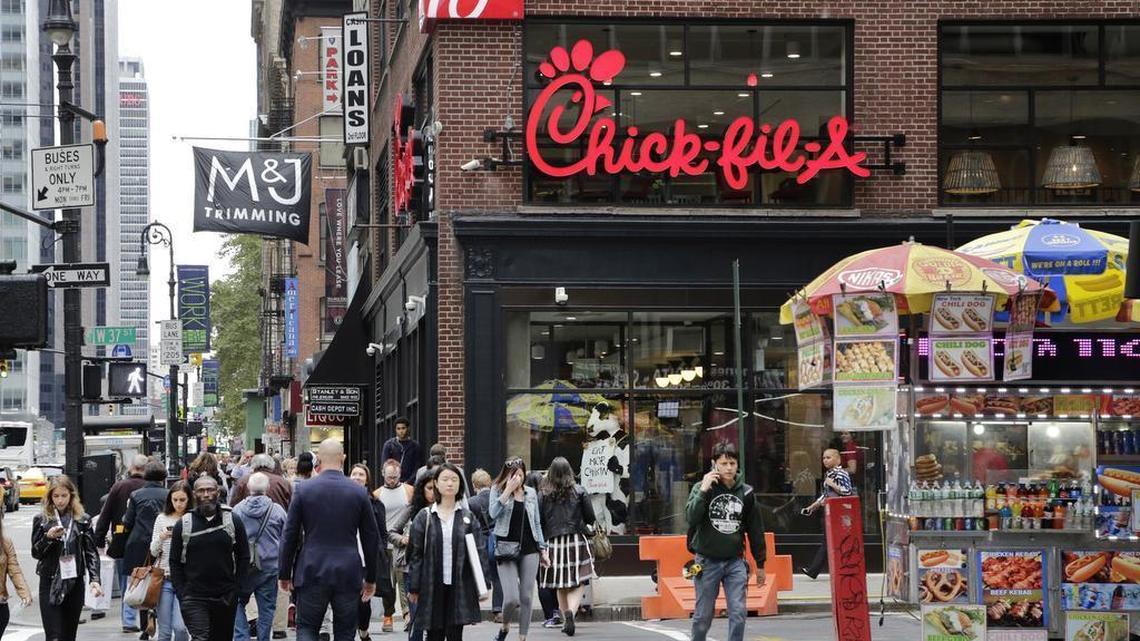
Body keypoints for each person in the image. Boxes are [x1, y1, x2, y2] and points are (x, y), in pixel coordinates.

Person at [278, 439, 380, 641]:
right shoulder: (358, 491)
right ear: (343, 458)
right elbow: (371, 537)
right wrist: (371, 578)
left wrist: (284, 572)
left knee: (307, 628)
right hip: (348, 571)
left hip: (312, 569)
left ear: (319, 461)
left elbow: (289, 534)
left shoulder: (304, 490)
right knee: (345, 632)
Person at [686, 442, 767, 641]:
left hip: (735, 562)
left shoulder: (746, 493)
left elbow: (756, 530)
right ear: (715, 465)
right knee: (703, 617)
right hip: (706, 561)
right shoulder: (701, 488)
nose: (729, 468)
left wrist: (761, 564)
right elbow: (691, 518)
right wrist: (704, 490)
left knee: (738, 613)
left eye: (732, 463)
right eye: (724, 463)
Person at [407, 464, 491, 641]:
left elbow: (479, 552)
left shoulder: (468, 517)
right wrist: (414, 586)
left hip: (459, 584)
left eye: (454, 479)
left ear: (460, 484)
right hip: (432, 585)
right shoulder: (425, 516)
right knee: (433, 634)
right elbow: (416, 554)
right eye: (445, 479)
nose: (450, 483)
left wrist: (483, 585)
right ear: (436, 483)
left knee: (455, 634)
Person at [170, 475, 251, 641]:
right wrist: (182, 593)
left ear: (218, 492)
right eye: (201, 490)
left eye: (210, 490)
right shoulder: (184, 524)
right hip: (194, 596)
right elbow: (175, 561)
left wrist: (237, 589)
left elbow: (244, 556)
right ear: (194, 495)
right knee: (201, 638)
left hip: (225, 596)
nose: (206, 494)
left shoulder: (233, 520)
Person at [32, 475, 104, 641]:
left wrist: (95, 579)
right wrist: (47, 538)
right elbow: (36, 553)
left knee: (69, 635)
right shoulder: (42, 520)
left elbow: (91, 551)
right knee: (54, 636)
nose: (60, 500)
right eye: (55, 496)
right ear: (50, 497)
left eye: (64, 495)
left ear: (71, 496)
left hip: (74, 580)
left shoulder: (82, 520)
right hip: (50, 581)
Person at [487, 459, 546, 641]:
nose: (518, 478)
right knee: (512, 598)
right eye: (514, 474)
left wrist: (543, 549)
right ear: (507, 475)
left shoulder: (531, 493)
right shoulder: (496, 489)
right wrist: (507, 491)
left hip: (530, 548)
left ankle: (522, 637)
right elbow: (492, 513)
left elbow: (536, 522)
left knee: (527, 597)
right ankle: (505, 626)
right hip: (505, 549)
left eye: (521, 474)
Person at [537, 458, 594, 637]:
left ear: (551, 473)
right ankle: (571, 612)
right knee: (579, 580)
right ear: (570, 471)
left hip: (553, 542)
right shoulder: (579, 490)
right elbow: (590, 517)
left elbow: (539, 520)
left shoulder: (543, 493)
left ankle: (564, 616)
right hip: (576, 540)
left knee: (559, 583)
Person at [94, 453, 148, 633]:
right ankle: (146, 619)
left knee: (126, 580)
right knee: (147, 579)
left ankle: (128, 619)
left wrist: (99, 539)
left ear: (131, 468)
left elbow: (105, 515)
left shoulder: (119, 487)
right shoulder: (150, 487)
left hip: (122, 539)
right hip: (148, 540)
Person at [232, 473, 287, 641]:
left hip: (244, 566)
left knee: (237, 602)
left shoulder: (238, 510)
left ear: (248, 488)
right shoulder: (277, 510)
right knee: (267, 608)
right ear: (267, 488)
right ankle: (264, 638)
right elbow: (287, 538)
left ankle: (242, 636)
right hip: (269, 567)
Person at [123, 460, 169, 639]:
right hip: (164, 543)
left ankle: (145, 626)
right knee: (163, 584)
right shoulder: (169, 495)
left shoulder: (136, 495)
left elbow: (128, 522)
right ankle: (157, 619)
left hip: (139, 544)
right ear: (163, 477)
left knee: (143, 582)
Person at [391, 471, 435, 641]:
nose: (433, 492)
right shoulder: (413, 509)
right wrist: (404, 539)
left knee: (434, 620)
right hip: (413, 569)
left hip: (436, 569)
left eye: (435, 488)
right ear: (422, 489)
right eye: (429, 488)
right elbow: (392, 532)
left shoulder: (445, 509)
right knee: (417, 618)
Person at [350, 464, 392, 640]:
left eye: (361, 474)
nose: (357, 477)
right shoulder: (344, 499)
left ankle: (363, 629)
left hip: (367, 557)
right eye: (354, 474)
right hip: (348, 555)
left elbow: (382, 533)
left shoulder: (376, 503)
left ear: (367, 479)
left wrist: (378, 553)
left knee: (363, 600)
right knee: (349, 597)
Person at [372, 459, 413, 632]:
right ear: (383, 474)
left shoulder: (409, 490)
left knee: (404, 582)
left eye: (395, 477)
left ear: (400, 474)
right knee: (388, 584)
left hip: (403, 544)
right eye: (389, 477)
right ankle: (388, 616)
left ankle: (408, 616)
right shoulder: (377, 494)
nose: (392, 480)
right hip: (385, 545)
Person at [800, 448, 853, 580]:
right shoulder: (829, 474)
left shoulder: (841, 474)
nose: (825, 460)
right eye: (824, 458)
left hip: (839, 513)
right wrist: (811, 507)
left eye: (828, 457)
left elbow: (847, 492)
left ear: (838, 459)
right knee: (830, 542)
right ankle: (816, 570)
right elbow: (825, 495)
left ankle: (815, 570)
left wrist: (832, 484)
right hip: (831, 512)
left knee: (831, 542)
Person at [151, 481, 192, 641]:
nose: (178, 504)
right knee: (165, 631)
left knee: (181, 628)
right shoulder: (162, 519)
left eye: (182, 500)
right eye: (175, 500)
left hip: (186, 580)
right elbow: (153, 551)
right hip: (164, 579)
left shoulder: (193, 518)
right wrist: (161, 537)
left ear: (189, 499)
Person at [464, 469, 501, 622]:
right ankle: (498, 610)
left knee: (475, 576)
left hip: (479, 542)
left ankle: (473, 613)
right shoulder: (497, 498)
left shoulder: (471, 502)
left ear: (474, 485)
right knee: (498, 576)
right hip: (496, 541)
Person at [380, 418, 424, 484]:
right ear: (395, 430)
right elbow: (384, 465)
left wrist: (408, 482)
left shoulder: (415, 446)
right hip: (392, 482)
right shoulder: (389, 445)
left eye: (403, 428)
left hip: (410, 483)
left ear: (408, 428)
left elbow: (417, 467)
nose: (401, 431)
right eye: (398, 429)